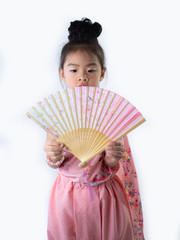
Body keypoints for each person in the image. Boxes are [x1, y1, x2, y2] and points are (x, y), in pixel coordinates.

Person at [44, 18, 145, 240]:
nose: (82, 76)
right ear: (62, 74)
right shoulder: (56, 114)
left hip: (105, 196)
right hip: (66, 197)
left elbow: (114, 164)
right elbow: (53, 161)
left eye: (91, 69)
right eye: (73, 70)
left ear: (101, 73)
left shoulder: (111, 113)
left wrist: (112, 157)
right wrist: (52, 155)